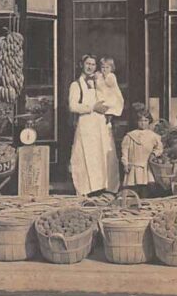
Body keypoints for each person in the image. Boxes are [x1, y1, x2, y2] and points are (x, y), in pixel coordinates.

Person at [69, 53, 120, 196]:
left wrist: (110, 111)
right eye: (87, 64)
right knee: (87, 156)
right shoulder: (76, 85)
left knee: (103, 155)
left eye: (93, 64)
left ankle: (106, 187)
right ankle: (87, 189)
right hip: (86, 125)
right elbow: (73, 106)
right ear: (81, 65)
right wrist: (92, 107)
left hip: (101, 124)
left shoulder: (99, 81)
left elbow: (110, 95)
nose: (90, 67)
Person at [121, 108, 164, 198]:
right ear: (136, 121)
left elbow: (159, 148)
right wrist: (125, 163)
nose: (143, 123)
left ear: (149, 122)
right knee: (132, 189)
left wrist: (154, 154)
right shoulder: (130, 136)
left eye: (146, 120)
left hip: (146, 166)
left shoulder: (153, 136)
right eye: (140, 120)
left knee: (146, 188)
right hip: (133, 165)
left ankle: (144, 203)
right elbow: (125, 151)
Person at [94, 56, 124, 124]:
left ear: (111, 68)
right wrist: (96, 76)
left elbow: (109, 83)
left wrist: (105, 76)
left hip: (110, 96)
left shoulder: (111, 76)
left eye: (107, 67)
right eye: (103, 67)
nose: (105, 70)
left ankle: (109, 121)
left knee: (109, 110)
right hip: (101, 95)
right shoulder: (99, 75)